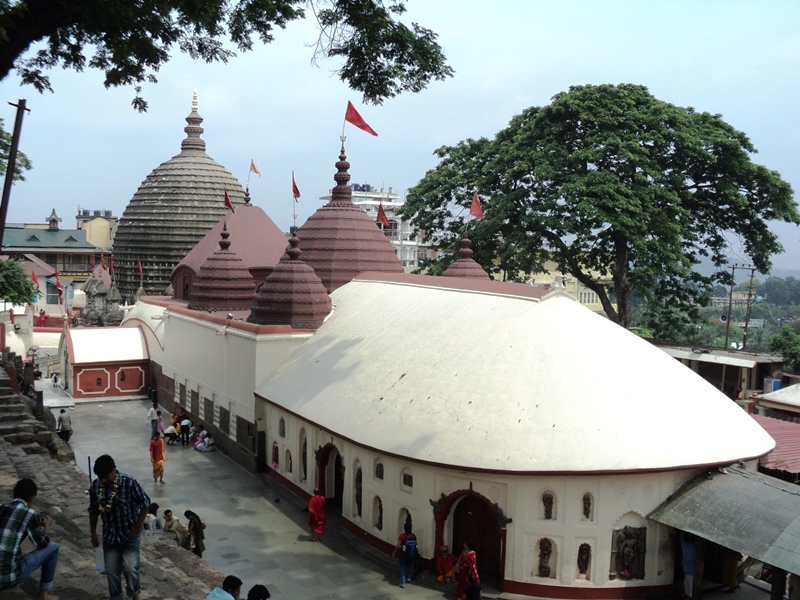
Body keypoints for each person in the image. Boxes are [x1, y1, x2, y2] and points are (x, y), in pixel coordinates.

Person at [89, 454, 150, 600]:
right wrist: (93, 534)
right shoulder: (97, 486)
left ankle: (135, 593)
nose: (103, 481)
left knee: (130, 567)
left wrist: (138, 525)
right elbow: (93, 511)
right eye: (100, 477)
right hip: (110, 535)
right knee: (111, 570)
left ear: (114, 471)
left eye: (106, 477)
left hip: (129, 533)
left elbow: (145, 503)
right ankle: (116, 597)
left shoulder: (129, 482)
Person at [0, 478, 60, 600]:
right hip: (7, 577)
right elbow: (42, 544)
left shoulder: (2, 508)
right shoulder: (29, 513)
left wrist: (33, 523)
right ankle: (43, 595)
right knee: (53, 548)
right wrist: (46, 527)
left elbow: (12, 531)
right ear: (32, 498)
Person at [391, 523, 417, 588]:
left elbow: (398, 545)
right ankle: (409, 578)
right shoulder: (413, 536)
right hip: (412, 554)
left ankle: (403, 583)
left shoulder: (402, 536)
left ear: (404, 529)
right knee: (411, 565)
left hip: (403, 554)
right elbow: (416, 544)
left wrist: (394, 552)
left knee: (402, 567)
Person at [680, 531, 695, 599]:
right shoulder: (694, 548)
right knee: (690, 585)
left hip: (686, 568)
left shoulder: (685, 546)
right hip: (691, 569)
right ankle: (689, 595)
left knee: (687, 583)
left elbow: (682, 539)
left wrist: (682, 532)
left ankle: (688, 595)